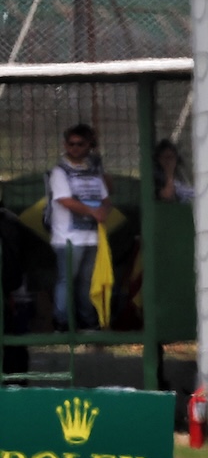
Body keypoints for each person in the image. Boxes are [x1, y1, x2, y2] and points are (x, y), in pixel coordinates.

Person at [48, 124, 111, 330]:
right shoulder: (60, 171)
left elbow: (106, 195)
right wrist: (93, 212)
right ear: (65, 145)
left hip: (92, 237)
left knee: (87, 283)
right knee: (67, 281)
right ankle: (62, 323)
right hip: (68, 237)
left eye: (80, 144)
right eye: (71, 144)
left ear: (88, 146)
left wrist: (103, 209)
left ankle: (88, 322)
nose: (74, 148)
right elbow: (64, 200)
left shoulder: (94, 170)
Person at [152, 139, 193, 203]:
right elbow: (167, 194)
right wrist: (169, 173)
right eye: (166, 158)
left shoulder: (180, 173)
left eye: (172, 157)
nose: (169, 161)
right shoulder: (157, 177)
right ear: (159, 159)